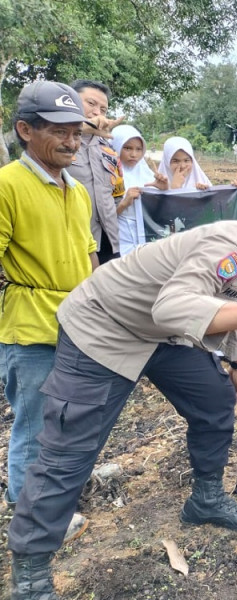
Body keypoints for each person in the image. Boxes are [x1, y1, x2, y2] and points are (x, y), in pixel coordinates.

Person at [7, 171, 237, 599]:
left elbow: (236, 301)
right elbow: (174, 307)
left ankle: (206, 498)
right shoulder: (231, 247)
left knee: (215, 400)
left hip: (161, 334)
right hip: (105, 327)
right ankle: (31, 571)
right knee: (70, 447)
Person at [0, 81, 98, 543]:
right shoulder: (7, 186)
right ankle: (30, 515)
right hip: (31, 327)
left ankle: (52, 498)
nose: (71, 142)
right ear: (25, 130)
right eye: (60, 132)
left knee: (67, 420)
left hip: (77, 326)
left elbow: (88, 252)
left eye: (77, 133)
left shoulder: (76, 190)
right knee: (34, 423)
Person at [67, 79, 124, 264]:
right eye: (91, 103)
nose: (97, 112)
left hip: (109, 242)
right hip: (72, 243)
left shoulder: (108, 149)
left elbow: (116, 195)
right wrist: (80, 128)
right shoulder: (58, 145)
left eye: (103, 109)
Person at [109, 125, 167, 255]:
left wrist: (163, 192)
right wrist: (124, 203)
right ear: (116, 146)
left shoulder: (146, 174)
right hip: (120, 240)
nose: (134, 154)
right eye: (127, 148)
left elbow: (159, 214)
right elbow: (101, 218)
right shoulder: (108, 174)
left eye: (139, 149)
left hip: (146, 239)